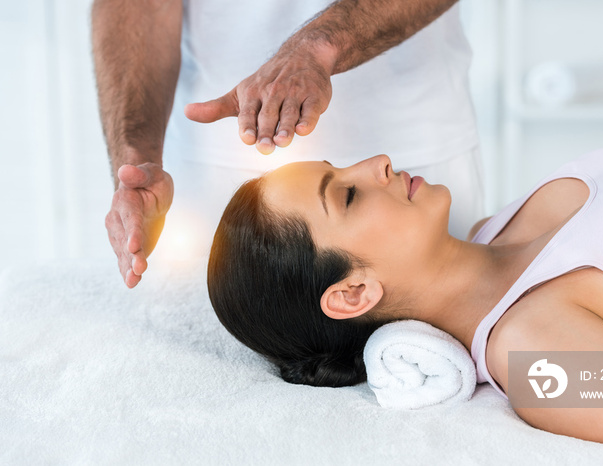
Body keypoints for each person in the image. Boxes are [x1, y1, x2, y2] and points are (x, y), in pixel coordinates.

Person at [207, 147, 603, 445]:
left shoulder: (495, 227)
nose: (377, 162)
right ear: (354, 292)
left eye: (342, 165)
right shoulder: (538, 357)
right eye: (347, 195)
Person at [91, 0, 483, 288]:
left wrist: (320, 47)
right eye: (344, 195)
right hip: (207, 170)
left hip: (419, 140)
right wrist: (137, 162)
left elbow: (538, 375)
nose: (378, 162)